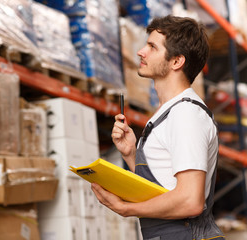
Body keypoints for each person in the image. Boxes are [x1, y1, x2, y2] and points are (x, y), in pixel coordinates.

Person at [91, 15, 225, 240]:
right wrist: (131, 154)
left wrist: (127, 209)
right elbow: (164, 186)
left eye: (152, 47)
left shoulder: (185, 114)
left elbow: (190, 201)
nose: (141, 52)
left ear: (176, 62)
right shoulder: (170, 112)